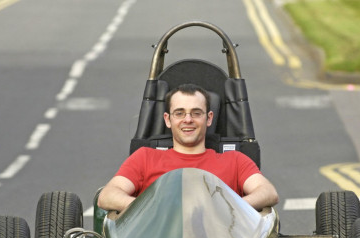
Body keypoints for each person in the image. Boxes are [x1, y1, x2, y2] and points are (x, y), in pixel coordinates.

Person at [97, 83, 278, 212]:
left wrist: (230, 206)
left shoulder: (234, 160)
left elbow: (268, 192)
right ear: (168, 119)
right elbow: (107, 196)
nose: (188, 120)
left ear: (209, 118)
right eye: (180, 113)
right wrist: (148, 208)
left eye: (196, 113)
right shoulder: (144, 157)